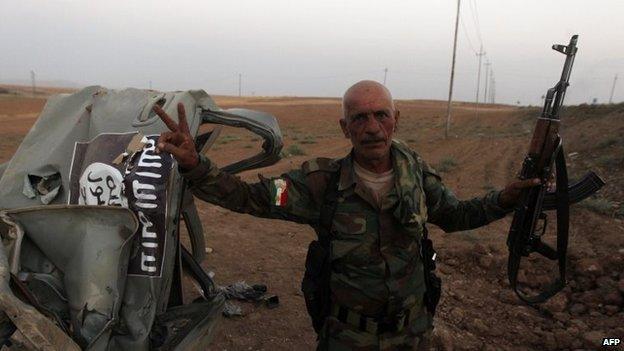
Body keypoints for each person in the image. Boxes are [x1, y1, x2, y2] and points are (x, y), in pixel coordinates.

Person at [154, 80, 540, 350]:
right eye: (359, 118)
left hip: (413, 335)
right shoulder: (320, 183)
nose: (372, 128)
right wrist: (195, 164)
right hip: (346, 338)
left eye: (381, 115)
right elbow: (250, 197)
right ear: (344, 127)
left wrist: (506, 198)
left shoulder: (417, 176)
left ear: (396, 120)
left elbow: (457, 216)